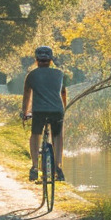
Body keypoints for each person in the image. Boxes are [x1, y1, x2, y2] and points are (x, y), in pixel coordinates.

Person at [21, 45, 67, 183]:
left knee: (35, 135)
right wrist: (63, 109)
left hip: (39, 111)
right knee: (58, 136)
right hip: (57, 111)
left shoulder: (31, 75)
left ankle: (35, 167)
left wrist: (25, 113)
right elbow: (63, 93)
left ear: (36, 60)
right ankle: (58, 167)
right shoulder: (59, 74)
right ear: (51, 60)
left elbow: (27, 95)